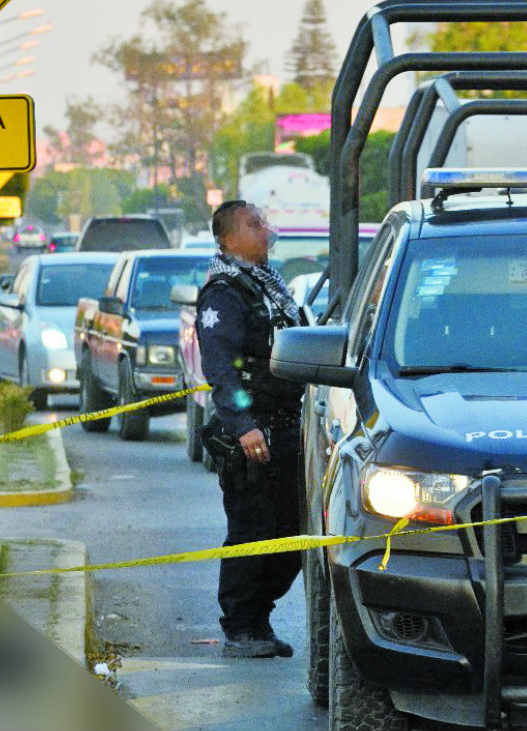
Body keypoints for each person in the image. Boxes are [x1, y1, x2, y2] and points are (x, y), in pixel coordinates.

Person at [197, 200, 306, 658]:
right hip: (251, 436)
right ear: (227, 238)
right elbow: (221, 368)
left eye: (264, 221)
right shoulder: (225, 292)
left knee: (291, 534)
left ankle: (260, 622)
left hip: (286, 428)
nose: (266, 229)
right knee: (252, 530)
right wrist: (243, 426)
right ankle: (241, 626)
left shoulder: (269, 286)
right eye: (253, 224)